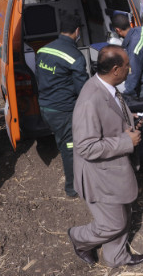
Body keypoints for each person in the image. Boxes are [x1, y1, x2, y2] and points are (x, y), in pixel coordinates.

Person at [68, 45, 143, 268]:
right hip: (99, 176)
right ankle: (78, 237)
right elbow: (86, 147)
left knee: (124, 212)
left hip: (114, 169)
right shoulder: (89, 100)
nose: (130, 70)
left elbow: (109, 115)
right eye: (126, 66)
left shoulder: (106, 87)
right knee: (112, 224)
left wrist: (129, 119)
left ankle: (116, 257)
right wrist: (126, 141)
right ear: (115, 69)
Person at [35, 14, 89, 198]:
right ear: (77, 31)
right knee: (70, 148)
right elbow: (83, 90)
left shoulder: (43, 51)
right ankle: (72, 188)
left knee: (62, 140)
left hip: (45, 107)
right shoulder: (75, 57)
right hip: (63, 110)